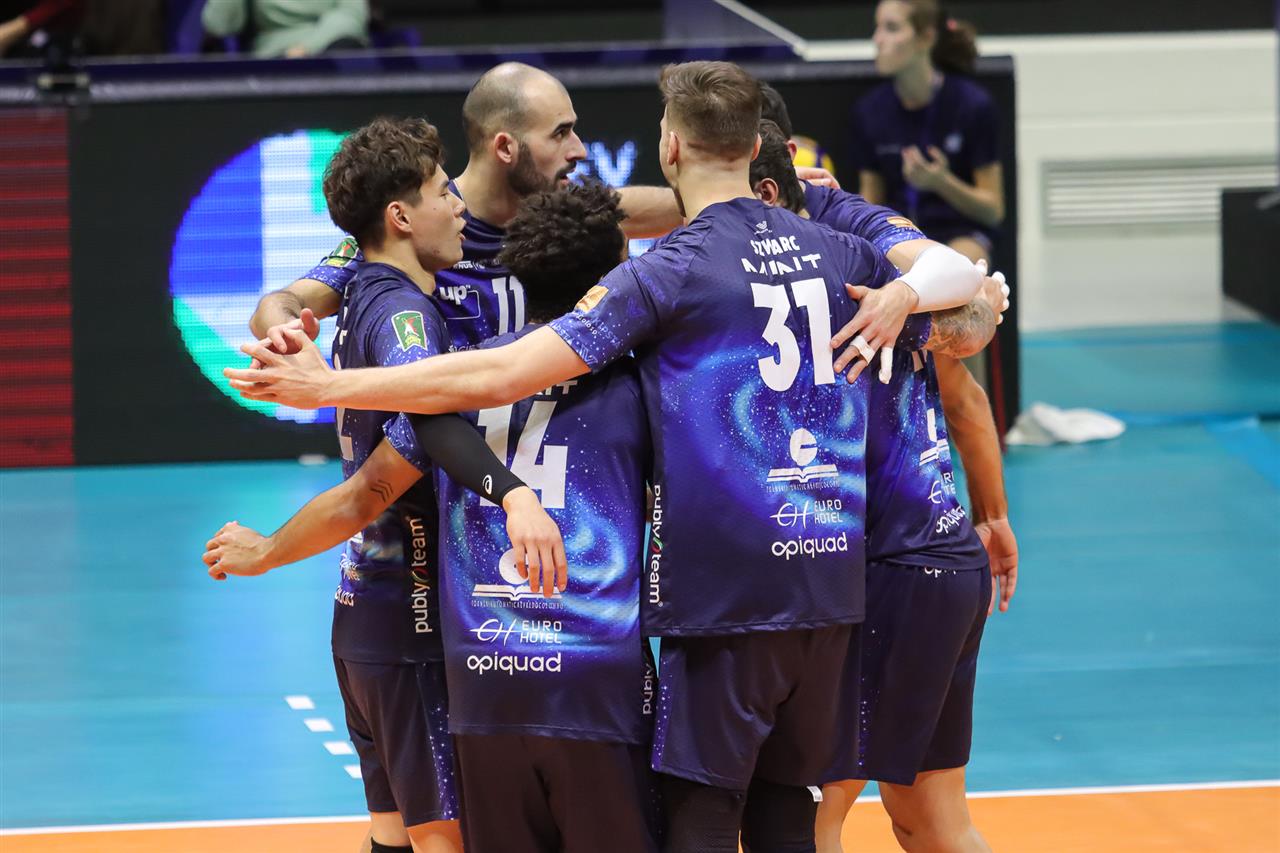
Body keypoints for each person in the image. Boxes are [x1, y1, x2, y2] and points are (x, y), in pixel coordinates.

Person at [225, 60, 983, 851]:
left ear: (671, 144)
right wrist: (902, 286)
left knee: (682, 811)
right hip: (819, 584)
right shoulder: (828, 256)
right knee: (790, 809)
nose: (580, 148)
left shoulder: (659, 278)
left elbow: (488, 384)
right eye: (562, 132)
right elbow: (969, 306)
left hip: (588, 615)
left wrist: (328, 390)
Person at [203, 116, 564, 853]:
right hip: (411, 621)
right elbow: (383, 474)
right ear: (400, 216)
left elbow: (286, 303)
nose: (459, 207)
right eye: (442, 193)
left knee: (395, 832)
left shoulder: (362, 285)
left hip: (366, 615)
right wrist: (267, 551)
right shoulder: (404, 316)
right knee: (442, 838)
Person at [746, 119, 1017, 853]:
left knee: (816, 815)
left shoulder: (843, 265)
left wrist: (961, 305)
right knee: (929, 818)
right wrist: (992, 517)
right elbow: (967, 382)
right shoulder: (874, 249)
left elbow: (975, 322)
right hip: (943, 559)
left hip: (895, 566)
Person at [443, 180, 658, 852]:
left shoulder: (460, 381)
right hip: (595, 686)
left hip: (483, 683)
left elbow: (374, 488)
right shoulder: (636, 384)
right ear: (613, 277)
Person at [249, 62, 681, 357]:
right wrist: (286, 331)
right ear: (505, 147)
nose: (579, 149)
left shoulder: (568, 218)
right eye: (560, 133)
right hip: (448, 454)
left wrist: (706, 195)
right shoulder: (418, 228)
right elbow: (283, 302)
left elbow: (648, 207)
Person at [850, 0, 1004, 268]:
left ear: (926, 38)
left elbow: (993, 210)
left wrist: (941, 182)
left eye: (891, 28)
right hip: (898, 235)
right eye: (877, 28)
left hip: (960, 233)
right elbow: (869, 202)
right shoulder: (869, 111)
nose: (878, 39)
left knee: (954, 268)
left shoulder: (972, 106)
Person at [201, 0, 369, 58]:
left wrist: (305, 49)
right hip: (273, 59)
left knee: (348, 52)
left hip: (333, 49)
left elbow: (351, 15)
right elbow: (218, 26)